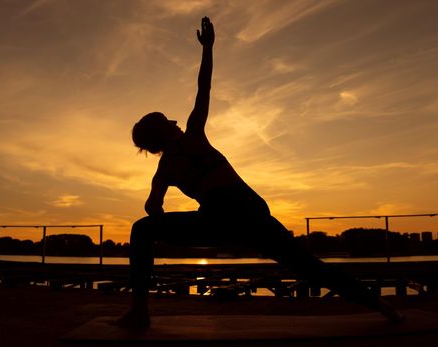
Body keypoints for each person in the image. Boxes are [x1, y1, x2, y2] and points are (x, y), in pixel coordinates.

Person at [117, 17, 404, 329]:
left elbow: (153, 207)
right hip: (223, 216)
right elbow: (203, 88)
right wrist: (209, 49)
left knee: (304, 265)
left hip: (240, 214)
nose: (173, 120)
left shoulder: (171, 162)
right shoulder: (186, 144)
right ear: (158, 132)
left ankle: (378, 303)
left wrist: (208, 49)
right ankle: (140, 311)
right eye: (165, 120)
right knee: (305, 265)